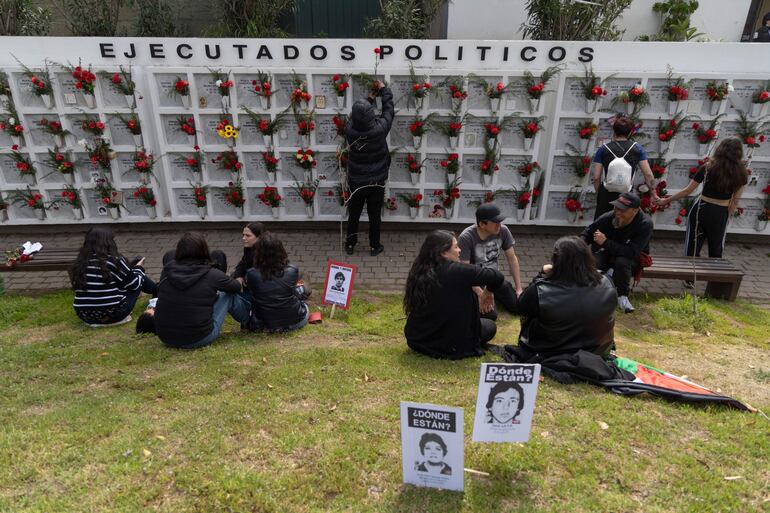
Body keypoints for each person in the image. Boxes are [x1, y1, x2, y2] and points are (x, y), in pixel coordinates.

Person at [511, 236, 617, 361]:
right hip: (597, 351)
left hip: (550, 352)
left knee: (531, 312)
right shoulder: (607, 282)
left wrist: (541, 275)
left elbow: (521, 306)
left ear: (556, 260)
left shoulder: (541, 290)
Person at [404, 230, 504, 359]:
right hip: (448, 345)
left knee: (490, 313)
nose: (459, 250)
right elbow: (497, 276)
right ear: (443, 252)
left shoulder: (420, 267)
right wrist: (488, 292)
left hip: (417, 339)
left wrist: (484, 294)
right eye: (456, 247)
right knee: (490, 326)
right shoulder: (457, 271)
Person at [656, 137, 748, 258]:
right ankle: (714, 275)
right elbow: (735, 200)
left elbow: (688, 190)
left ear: (720, 150)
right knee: (716, 250)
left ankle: (690, 276)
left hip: (701, 208)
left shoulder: (708, 167)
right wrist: (726, 216)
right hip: (721, 211)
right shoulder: (742, 173)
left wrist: (666, 200)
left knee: (692, 248)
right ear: (739, 153)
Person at [154, 232, 250, 349]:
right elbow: (235, 287)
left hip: (165, 337)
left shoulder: (167, 270)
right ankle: (249, 321)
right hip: (198, 338)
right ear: (204, 250)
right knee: (228, 295)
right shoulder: (211, 274)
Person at [345, 80, 394, 256]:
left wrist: (369, 99)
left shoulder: (349, 129)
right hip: (376, 181)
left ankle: (350, 245)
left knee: (354, 213)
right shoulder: (380, 129)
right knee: (374, 215)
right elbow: (389, 111)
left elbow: (356, 116)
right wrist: (383, 90)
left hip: (356, 181)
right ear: (371, 115)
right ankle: (375, 247)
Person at [69, 227, 156, 327]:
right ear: (108, 242)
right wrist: (139, 268)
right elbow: (134, 284)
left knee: (130, 277)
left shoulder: (79, 263)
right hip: (113, 314)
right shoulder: (114, 260)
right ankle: (158, 290)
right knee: (138, 277)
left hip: (85, 315)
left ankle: (157, 289)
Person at [580, 192, 652, 313]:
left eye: (622, 209)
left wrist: (606, 242)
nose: (617, 212)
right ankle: (593, 291)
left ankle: (622, 297)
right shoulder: (610, 216)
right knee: (595, 260)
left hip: (631, 259)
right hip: (609, 253)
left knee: (622, 261)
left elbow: (631, 252)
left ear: (635, 211)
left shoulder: (645, 224)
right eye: (616, 207)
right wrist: (576, 247)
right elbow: (588, 232)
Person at [458, 203, 522, 319]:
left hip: (495, 279)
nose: (499, 225)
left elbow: (512, 259)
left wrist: (519, 289)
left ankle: (497, 295)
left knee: (519, 307)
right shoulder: (466, 238)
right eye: (495, 222)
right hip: (475, 282)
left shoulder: (503, 230)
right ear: (482, 224)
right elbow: (465, 272)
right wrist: (481, 294)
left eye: (500, 221)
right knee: (490, 316)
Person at [591, 116, 658, 219]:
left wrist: (599, 193)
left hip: (606, 194)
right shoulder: (637, 148)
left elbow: (596, 176)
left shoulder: (603, 149)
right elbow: (648, 174)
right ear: (631, 132)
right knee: (623, 226)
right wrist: (653, 193)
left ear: (614, 130)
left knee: (602, 226)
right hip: (626, 196)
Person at [246, 232, 309, 332]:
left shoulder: (251, 274)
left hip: (264, 324)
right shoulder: (292, 270)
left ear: (258, 252)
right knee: (303, 289)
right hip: (294, 322)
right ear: (280, 250)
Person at [232, 222, 264, 287]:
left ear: (259, 237)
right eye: (243, 235)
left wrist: (244, 278)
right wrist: (238, 276)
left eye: (248, 235)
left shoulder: (263, 254)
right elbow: (243, 262)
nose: (243, 238)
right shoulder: (249, 247)